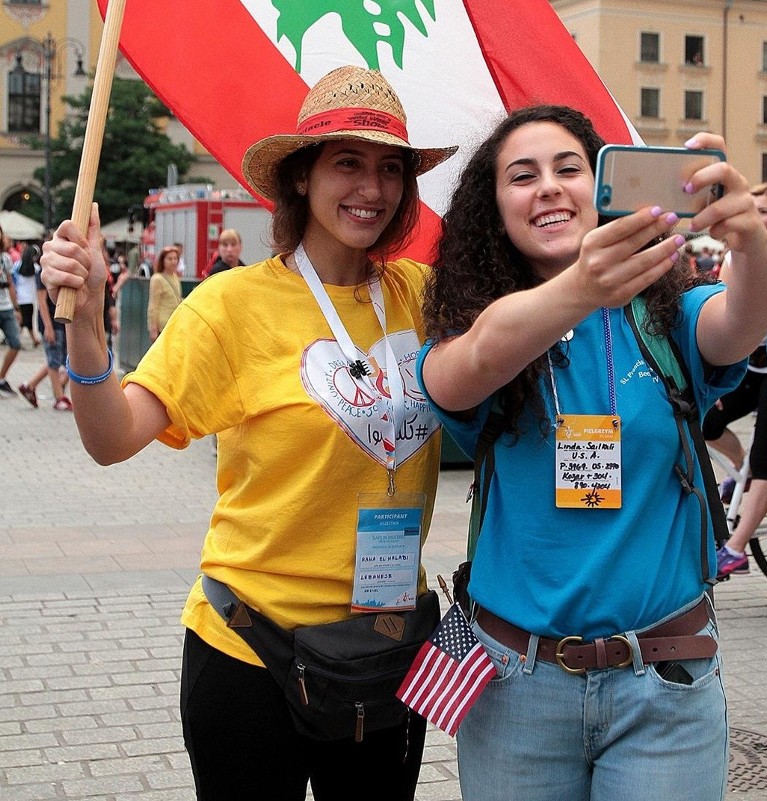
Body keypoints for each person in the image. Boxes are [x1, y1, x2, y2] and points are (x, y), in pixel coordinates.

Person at [39, 65, 457, 801]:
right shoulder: (230, 305)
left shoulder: (424, 296)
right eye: (348, 162)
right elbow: (111, 438)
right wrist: (86, 322)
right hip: (249, 650)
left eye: (391, 168)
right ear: (301, 176)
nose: (373, 187)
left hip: (385, 650)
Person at [417, 106, 767, 801]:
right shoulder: (477, 327)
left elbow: (748, 315)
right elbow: (464, 366)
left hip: (665, 681)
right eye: (522, 176)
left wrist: (750, 241)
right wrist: (582, 286)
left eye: (569, 168)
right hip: (515, 685)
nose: (549, 187)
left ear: (604, 185)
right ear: (494, 210)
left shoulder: (665, 317)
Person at [709, 184, 767, 577]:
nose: (757, 218)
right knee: (707, 421)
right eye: (751, 210)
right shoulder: (730, 257)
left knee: (765, 463)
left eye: (765, 212)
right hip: (749, 367)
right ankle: (737, 470)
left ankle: (736, 547)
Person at [17, 267, 72, 411]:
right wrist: (48, 326)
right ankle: (59, 398)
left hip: (62, 323)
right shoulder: (45, 270)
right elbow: (41, 301)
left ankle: (30, 386)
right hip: (53, 323)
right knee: (54, 361)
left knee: (60, 360)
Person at [0, 227, 24, 396]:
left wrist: (17, 308)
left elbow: (10, 284)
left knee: (15, 343)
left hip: (6, 306)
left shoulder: (6, 258)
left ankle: (1, 378)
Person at [146, 246, 182, 342]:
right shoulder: (157, 279)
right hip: (163, 326)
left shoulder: (175, 277)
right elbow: (153, 305)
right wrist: (153, 328)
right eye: (169, 259)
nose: (173, 262)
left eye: (175, 259)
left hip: (175, 324)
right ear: (163, 260)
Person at [14, 242, 42, 348]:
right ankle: (33, 339)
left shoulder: (18, 265)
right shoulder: (36, 268)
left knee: (23, 319)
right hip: (30, 297)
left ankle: (15, 338)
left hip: (20, 296)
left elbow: (14, 277)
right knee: (27, 319)